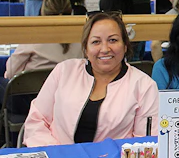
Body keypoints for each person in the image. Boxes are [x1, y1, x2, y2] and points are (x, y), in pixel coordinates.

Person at [23, 12, 159, 147]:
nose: (105, 49)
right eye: (96, 42)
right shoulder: (64, 71)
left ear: (125, 46)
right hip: (57, 157)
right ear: (86, 49)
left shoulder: (144, 86)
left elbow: (145, 144)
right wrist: (56, 153)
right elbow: (36, 120)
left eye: (113, 40)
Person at [0, 0, 83, 117]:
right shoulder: (81, 39)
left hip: (30, 102)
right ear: (71, 12)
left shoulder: (33, 38)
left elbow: (11, 72)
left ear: (43, 12)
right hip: (70, 101)